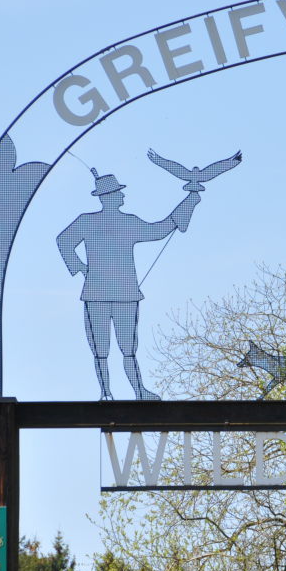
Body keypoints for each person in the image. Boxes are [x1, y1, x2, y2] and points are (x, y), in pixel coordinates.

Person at [57, 167, 201, 400]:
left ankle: (138, 391)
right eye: (118, 193)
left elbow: (159, 230)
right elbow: (63, 241)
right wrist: (81, 268)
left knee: (127, 350)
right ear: (109, 197)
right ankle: (106, 393)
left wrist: (188, 202)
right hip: (98, 294)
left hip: (124, 294)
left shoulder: (128, 222)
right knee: (102, 351)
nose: (123, 196)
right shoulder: (88, 221)